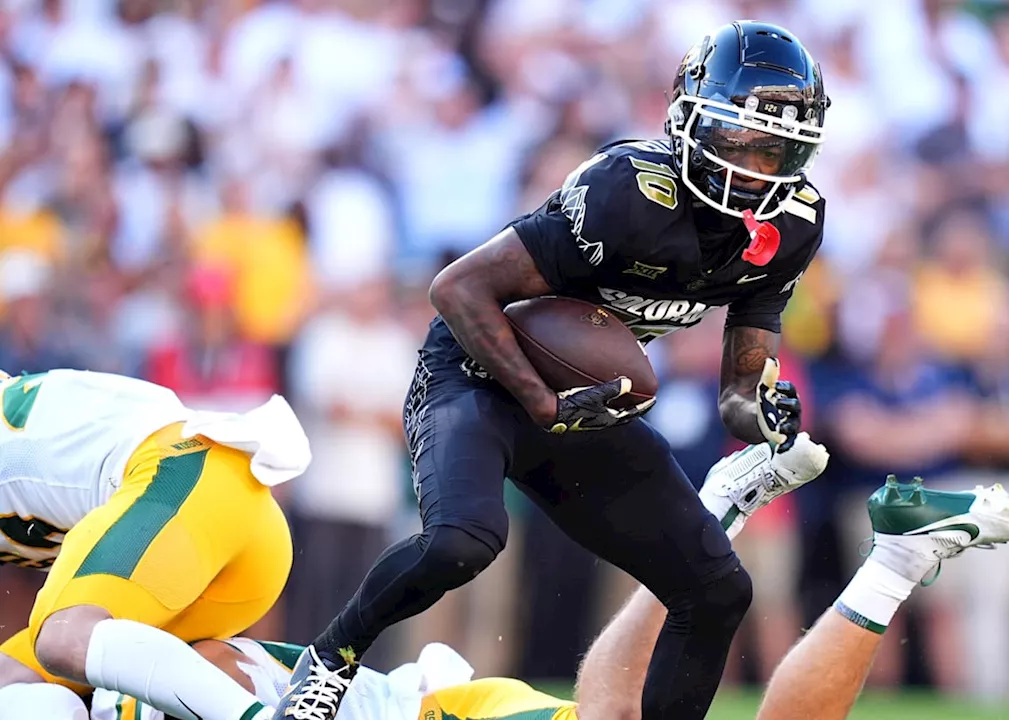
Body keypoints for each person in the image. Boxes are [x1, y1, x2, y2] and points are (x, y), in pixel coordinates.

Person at [274, 20, 829, 720]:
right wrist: (542, 404)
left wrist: (763, 418)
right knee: (460, 542)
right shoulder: (628, 192)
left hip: (586, 401)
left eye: (774, 147)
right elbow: (457, 289)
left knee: (717, 588)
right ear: (689, 120)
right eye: (738, 139)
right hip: (476, 372)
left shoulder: (792, 225)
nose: (754, 165)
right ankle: (332, 659)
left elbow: (739, 388)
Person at [101, 433, 1009, 720]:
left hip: (421, 711)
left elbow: (136, 658)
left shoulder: (115, 669)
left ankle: (884, 558)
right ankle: (857, 551)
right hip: (429, 703)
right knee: (613, 709)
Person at [0, 368, 311, 720]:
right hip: (241, 515)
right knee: (15, 678)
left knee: (63, 638)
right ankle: (349, 696)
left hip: (179, 481)